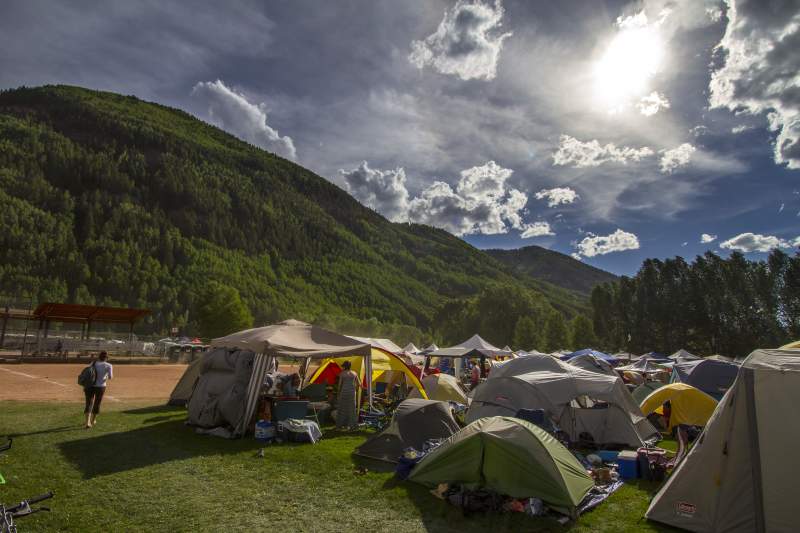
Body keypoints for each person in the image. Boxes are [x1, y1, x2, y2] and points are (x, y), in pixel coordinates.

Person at [84, 351, 113, 428]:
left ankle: (87, 422)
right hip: (100, 386)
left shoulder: (93, 363)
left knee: (89, 403)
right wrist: (105, 376)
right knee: (97, 403)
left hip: (90, 386)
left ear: (99, 357)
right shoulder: (108, 365)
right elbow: (110, 377)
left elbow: (87, 372)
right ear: (106, 358)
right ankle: (93, 420)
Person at [336, 361, 360, 430]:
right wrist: (356, 390)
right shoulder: (354, 373)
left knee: (342, 408)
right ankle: (352, 425)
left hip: (344, 393)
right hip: (352, 393)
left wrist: (338, 393)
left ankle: (340, 425)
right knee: (352, 409)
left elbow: (340, 385)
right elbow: (358, 384)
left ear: (345, 366)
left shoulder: (342, 373)